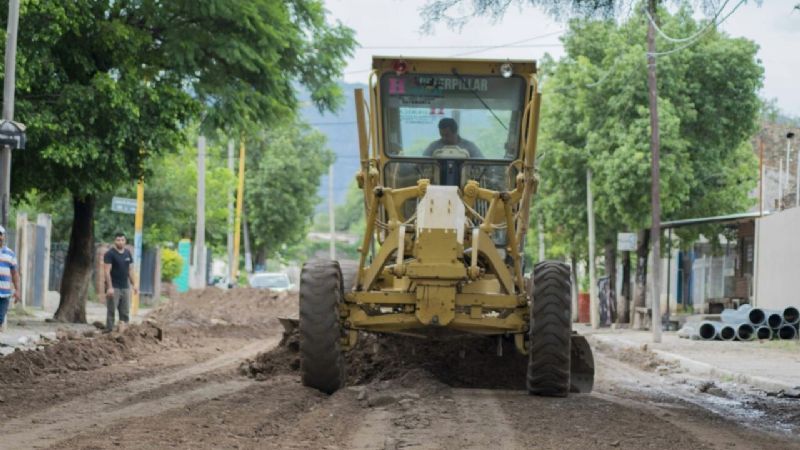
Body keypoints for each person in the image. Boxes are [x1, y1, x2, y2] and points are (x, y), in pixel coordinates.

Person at [104, 232, 137, 332]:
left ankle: (124, 331)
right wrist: (109, 287)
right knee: (111, 310)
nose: (120, 242)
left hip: (125, 287)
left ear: (125, 241)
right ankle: (109, 331)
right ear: (115, 241)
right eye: (118, 240)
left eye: (122, 240)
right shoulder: (110, 254)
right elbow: (106, 271)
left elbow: (130, 270)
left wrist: (134, 284)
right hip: (114, 287)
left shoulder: (127, 253)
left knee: (125, 311)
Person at [0, 225, 20, 333]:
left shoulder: (10, 253)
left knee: (0, 319)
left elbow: (15, 274)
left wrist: (17, 290)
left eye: (0, 234)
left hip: (4, 294)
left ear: (4, 237)